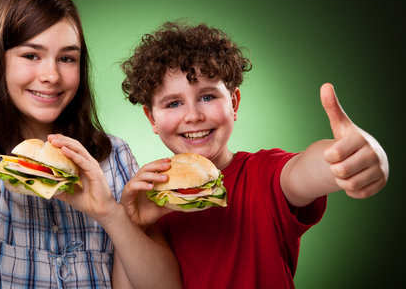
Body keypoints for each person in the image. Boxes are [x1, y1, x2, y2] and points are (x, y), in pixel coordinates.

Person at [0, 0, 180, 289]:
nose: (51, 76)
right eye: (31, 55)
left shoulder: (115, 156)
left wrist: (109, 213)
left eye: (67, 58)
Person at [119, 21, 389, 288]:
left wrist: (354, 155)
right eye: (174, 103)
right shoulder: (151, 200)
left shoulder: (263, 174)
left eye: (207, 97)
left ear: (234, 102)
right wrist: (132, 227)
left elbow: (308, 169)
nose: (193, 116)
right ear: (151, 117)